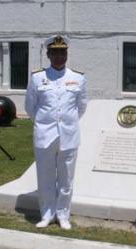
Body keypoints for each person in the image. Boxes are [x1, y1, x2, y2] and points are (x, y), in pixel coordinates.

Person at [25, 35, 87, 230]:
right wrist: (44, 124)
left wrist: (67, 122)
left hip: (69, 135)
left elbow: (81, 106)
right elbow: (30, 107)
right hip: (45, 135)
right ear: (48, 54)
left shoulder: (78, 78)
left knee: (67, 178)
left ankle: (63, 215)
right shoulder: (37, 77)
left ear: (67, 54)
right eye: (55, 53)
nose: (59, 56)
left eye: (63, 52)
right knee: (45, 177)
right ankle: (47, 214)